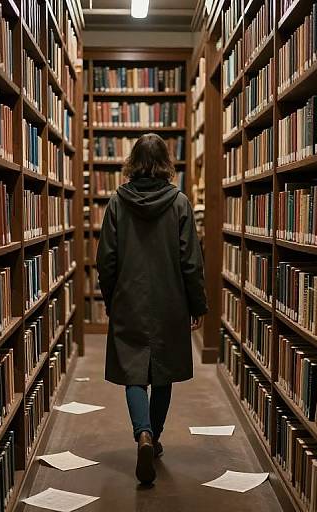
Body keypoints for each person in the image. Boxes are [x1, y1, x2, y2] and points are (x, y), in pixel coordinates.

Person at [96, 133, 208, 485]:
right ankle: (154, 437)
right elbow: (191, 261)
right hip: (170, 300)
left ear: (132, 162)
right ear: (165, 164)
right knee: (164, 370)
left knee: (134, 371)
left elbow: (106, 259)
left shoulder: (117, 202)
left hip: (129, 298)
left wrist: (111, 297)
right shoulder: (180, 203)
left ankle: (142, 433)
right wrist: (197, 304)